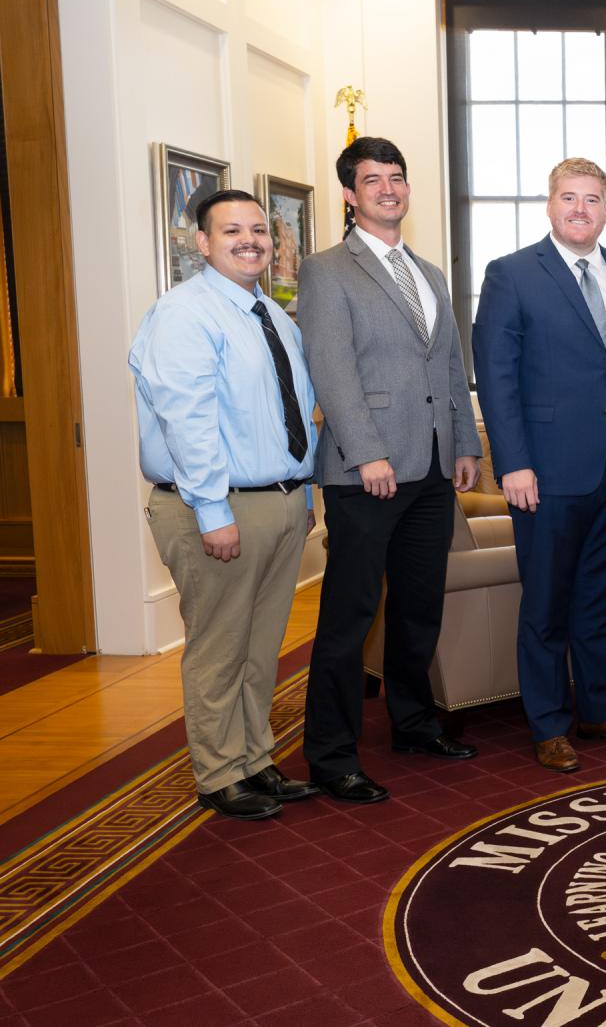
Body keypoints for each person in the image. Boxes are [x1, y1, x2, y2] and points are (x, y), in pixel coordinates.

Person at [297, 137, 483, 803]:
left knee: (416, 609)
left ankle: (413, 722)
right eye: (373, 179)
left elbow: (451, 366)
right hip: (365, 472)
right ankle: (331, 753)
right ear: (350, 195)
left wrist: (465, 443)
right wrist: (365, 450)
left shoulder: (429, 272)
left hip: (432, 468)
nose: (388, 189)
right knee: (348, 617)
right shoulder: (327, 271)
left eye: (397, 177)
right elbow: (332, 366)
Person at [129, 189, 319, 820]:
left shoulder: (274, 315)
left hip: (281, 503)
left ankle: (255, 760)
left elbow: (293, 414)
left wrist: (305, 491)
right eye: (232, 229)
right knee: (219, 647)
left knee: (260, 646)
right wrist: (213, 512)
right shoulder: (184, 314)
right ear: (202, 243)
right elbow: (189, 422)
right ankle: (217, 774)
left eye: (260, 229)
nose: (250, 239)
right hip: (217, 506)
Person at [472, 157, 606, 773]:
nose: (581, 209)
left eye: (593, 199)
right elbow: (496, 378)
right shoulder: (511, 274)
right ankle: (550, 722)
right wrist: (514, 464)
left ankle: (603, 708)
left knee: (605, 600)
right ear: (550, 205)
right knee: (548, 601)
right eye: (569, 198)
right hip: (547, 473)